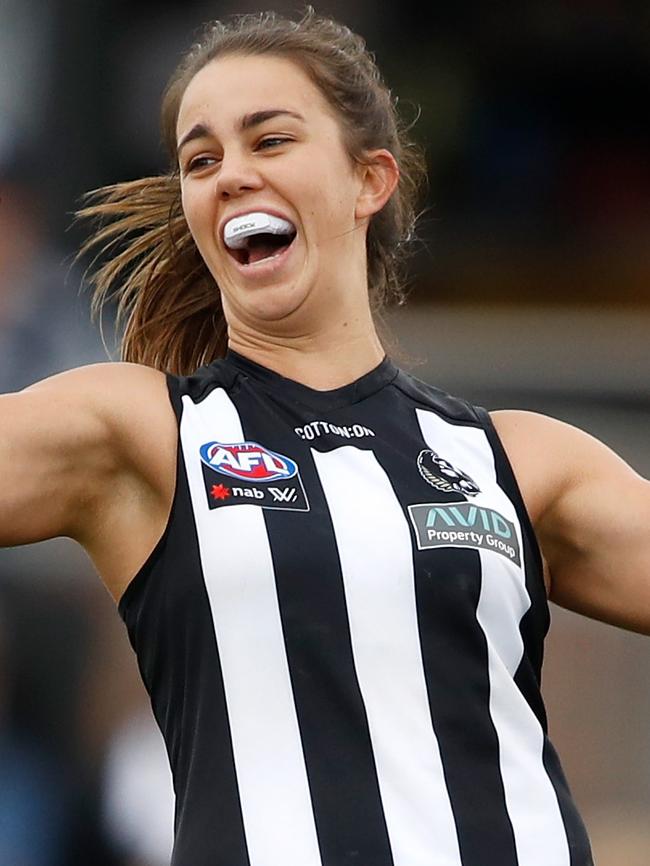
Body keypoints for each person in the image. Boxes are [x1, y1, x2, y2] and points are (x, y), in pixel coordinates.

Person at [1, 8, 648, 866]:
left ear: (367, 180)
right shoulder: (142, 434)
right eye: (202, 159)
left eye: (269, 141)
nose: (230, 174)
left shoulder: (521, 463)